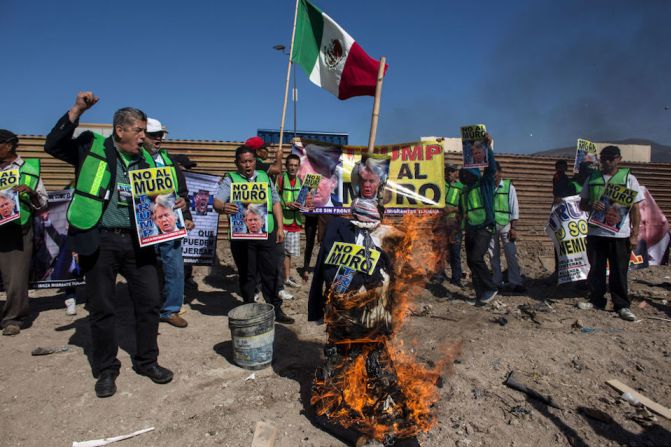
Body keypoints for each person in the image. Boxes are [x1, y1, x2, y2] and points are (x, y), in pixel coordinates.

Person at [44, 92, 176, 398]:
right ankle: (106, 369)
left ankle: (147, 361)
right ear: (120, 130)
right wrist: (77, 109)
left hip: (138, 242)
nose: (144, 137)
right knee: (103, 307)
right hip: (100, 239)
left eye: (145, 131)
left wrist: (174, 204)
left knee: (149, 301)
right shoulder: (90, 148)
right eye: (139, 131)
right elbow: (52, 145)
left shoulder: (147, 163)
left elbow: (161, 202)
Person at [214, 146, 294, 324]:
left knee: (272, 272)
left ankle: (276, 309)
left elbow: (275, 203)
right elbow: (217, 202)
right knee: (248, 274)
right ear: (237, 163)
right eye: (243, 162)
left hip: (267, 234)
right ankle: (249, 308)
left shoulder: (264, 177)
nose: (248, 165)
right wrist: (223, 207)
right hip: (242, 236)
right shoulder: (230, 179)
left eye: (250, 161)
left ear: (255, 162)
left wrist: (280, 228)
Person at [578, 145, 643, 321]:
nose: (606, 161)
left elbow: (636, 210)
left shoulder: (629, 179)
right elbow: (582, 204)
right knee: (596, 269)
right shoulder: (592, 178)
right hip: (596, 233)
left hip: (619, 236)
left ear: (619, 159)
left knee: (619, 271)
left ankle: (622, 305)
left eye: (611, 158)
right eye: (604, 157)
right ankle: (596, 300)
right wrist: (592, 204)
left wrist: (634, 234)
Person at [143, 118, 193, 328]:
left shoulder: (169, 161)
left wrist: (186, 211)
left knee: (174, 265)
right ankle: (148, 307)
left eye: (160, 135)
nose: (158, 139)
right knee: (147, 267)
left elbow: (181, 192)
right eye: (153, 135)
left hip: (169, 223)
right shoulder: (133, 160)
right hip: (144, 224)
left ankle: (170, 310)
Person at [0, 129, 48, 336]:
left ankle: (13, 318)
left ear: (8, 146)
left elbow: (43, 202)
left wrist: (30, 193)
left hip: (17, 229)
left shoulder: (28, 169)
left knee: (15, 277)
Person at [459, 133, 498, 305]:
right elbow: (463, 211)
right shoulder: (465, 190)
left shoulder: (485, 183)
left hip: (485, 226)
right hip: (470, 228)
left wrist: (488, 147)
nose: (463, 176)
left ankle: (491, 287)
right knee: (470, 261)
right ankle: (479, 295)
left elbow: (491, 168)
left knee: (476, 258)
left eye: (466, 174)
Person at [489, 162, 525, 293]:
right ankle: (496, 282)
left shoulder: (509, 187)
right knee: (493, 256)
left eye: (495, 173)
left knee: (511, 255)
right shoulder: (487, 187)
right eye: (490, 173)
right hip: (491, 226)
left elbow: (514, 208)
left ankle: (515, 282)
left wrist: (513, 228)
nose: (493, 176)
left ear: (500, 173)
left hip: (506, 225)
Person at [277, 154, 304, 288]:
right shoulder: (280, 179)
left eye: (295, 165)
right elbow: (274, 197)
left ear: (299, 167)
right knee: (278, 252)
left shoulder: (300, 181)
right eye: (290, 165)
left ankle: (286, 278)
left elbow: (303, 201)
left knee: (288, 254)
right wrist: (285, 204)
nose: (293, 168)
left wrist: (305, 204)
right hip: (282, 222)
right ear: (286, 166)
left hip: (295, 223)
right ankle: (278, 279)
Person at [444, 165, 464, 286]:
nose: (450, 174)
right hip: (440, 223)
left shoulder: (461, 187)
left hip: (455, 224)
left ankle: (456, 279)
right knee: (440, 251)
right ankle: (439, 275)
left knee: (455, 252)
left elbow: (464, 207)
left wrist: (452, 209)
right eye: (448, 171)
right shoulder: (440, 185)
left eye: (452, 171)